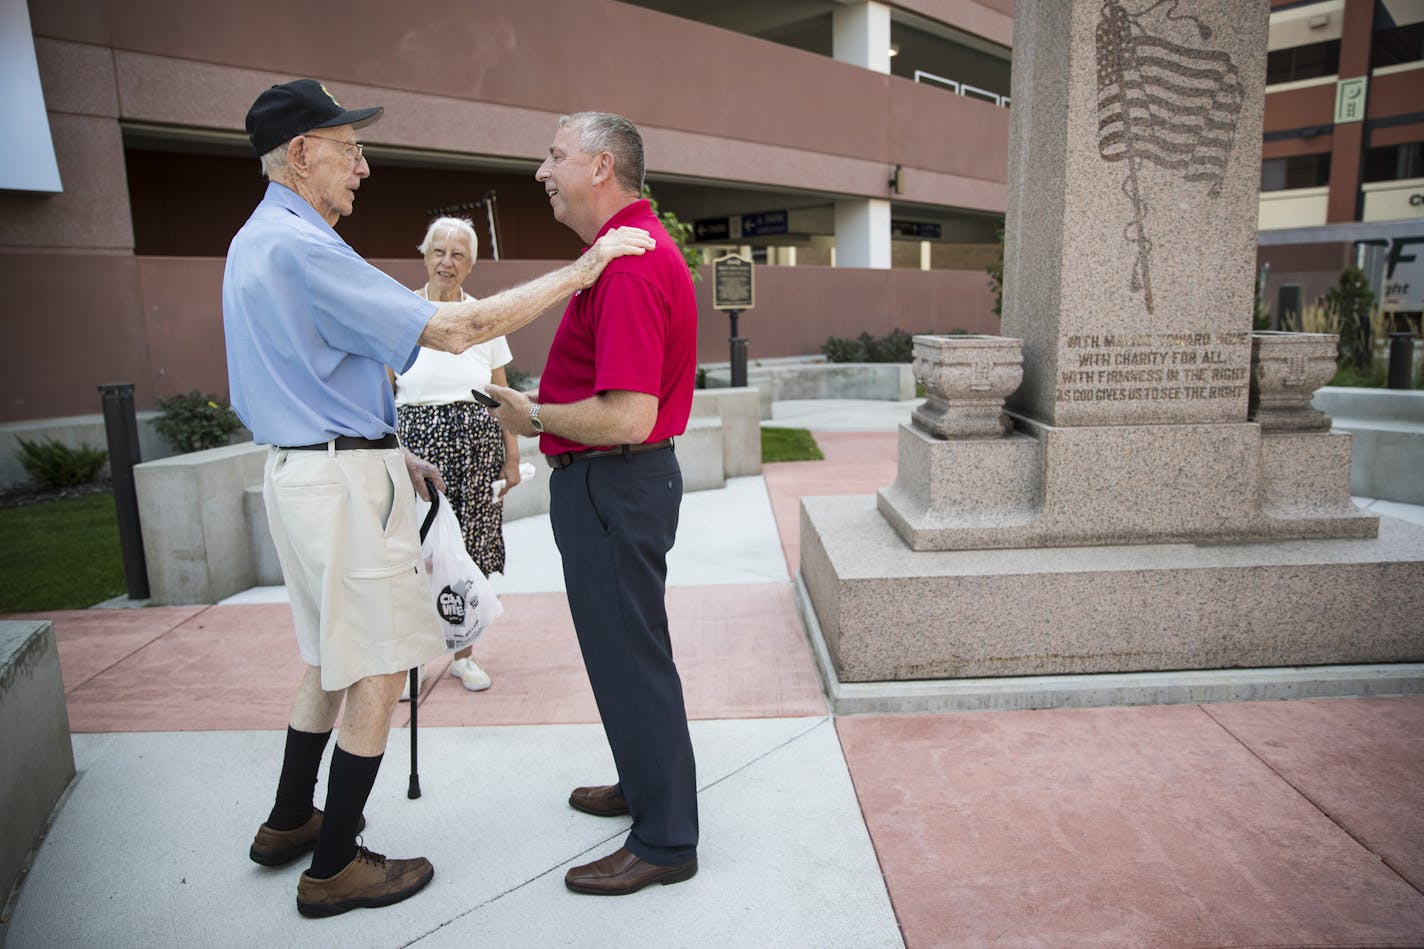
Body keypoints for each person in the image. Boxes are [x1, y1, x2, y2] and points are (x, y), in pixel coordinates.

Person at [225, 80, 653, 919]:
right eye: (349, 150)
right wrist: (586, 267)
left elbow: (318, 371)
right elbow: (457, 330)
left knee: (327, 653)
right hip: (341, 484)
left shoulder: (255, 239)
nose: (364, 166)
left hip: (308, 469)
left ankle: (287, 821)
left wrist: (392, 447)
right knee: (383, 661)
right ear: (302, 152)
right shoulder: (304, 246)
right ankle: (336, 863)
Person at [488, 112, 699, 897]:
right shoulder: (610, 257)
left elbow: (627, 415)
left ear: (601, 166)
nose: (542, 170)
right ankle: (645, 785)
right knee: (621, 653)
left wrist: (531, 414)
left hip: (618, 477)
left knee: (633, 658)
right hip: (611, 482)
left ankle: (667, 838)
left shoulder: (631, 267)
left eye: (555, 156)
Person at [394, 216, 518, 694]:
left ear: (470, 264)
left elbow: (501, 392)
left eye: (458, 254)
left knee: (469, 552)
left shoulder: (483, 316)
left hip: (476, 446)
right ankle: (413, 662)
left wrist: (511, 459)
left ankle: (464, 654)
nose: (447, 262)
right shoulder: (402, 311)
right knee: (413, 556)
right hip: (418, 447)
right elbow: (382, 392)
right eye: (439, 252)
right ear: (425, 255)